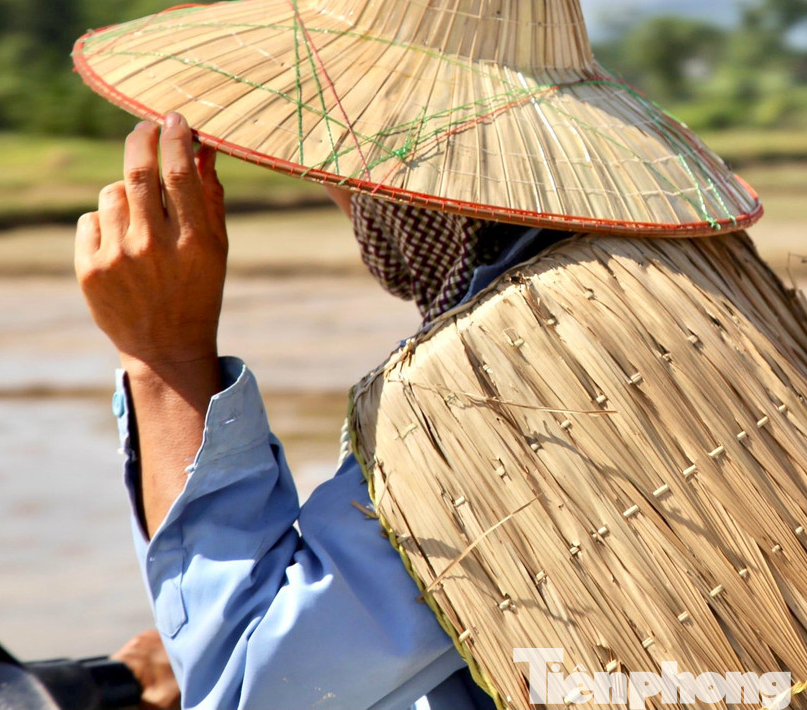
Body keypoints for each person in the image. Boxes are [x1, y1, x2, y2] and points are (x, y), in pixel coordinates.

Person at [76, 113, 558, 710]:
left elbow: (256, 686)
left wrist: (161, 356)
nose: (337, 189)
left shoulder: (502, 381)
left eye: (340, 162)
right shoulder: (670, 296)